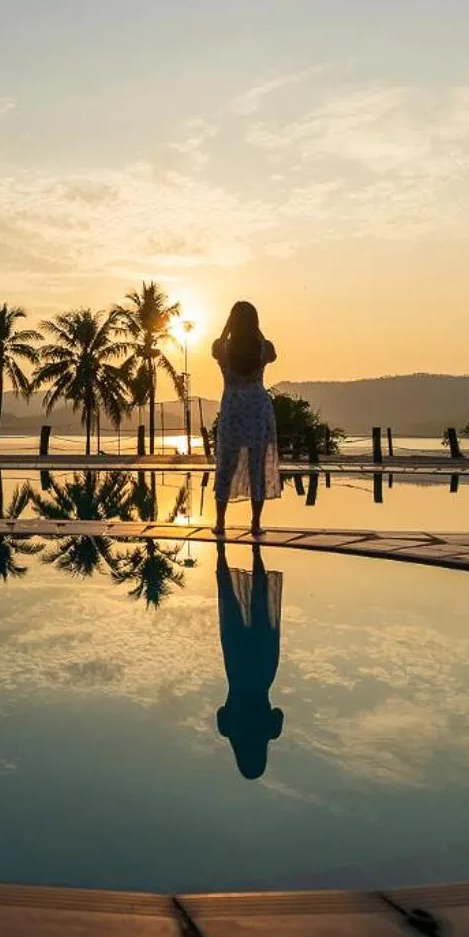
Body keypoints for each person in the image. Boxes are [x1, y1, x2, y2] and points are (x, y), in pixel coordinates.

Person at [214, 540, 284, 780]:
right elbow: (221, 712)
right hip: (238, 671)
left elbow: (278, 714)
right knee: (230, 609)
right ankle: (221, 555)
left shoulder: (270, 732)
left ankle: (256, 555)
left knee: (261, 607)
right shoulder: (228, 729)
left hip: (262, 672)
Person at [210, 300, 280, 536]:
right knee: (256, 465)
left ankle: (220, 523)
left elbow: (216, 345)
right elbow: (273, 354)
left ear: (232, 322)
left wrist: (226, 327)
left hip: (233, 409)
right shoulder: (262, 348)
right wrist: (257, 331)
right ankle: (255, 523)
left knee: (226, 464)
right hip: (257, 409)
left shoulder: (223, 349)